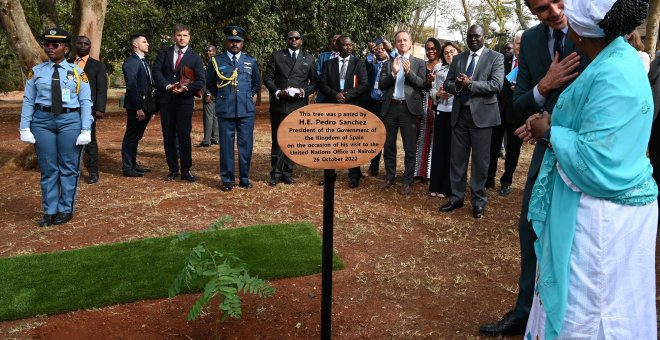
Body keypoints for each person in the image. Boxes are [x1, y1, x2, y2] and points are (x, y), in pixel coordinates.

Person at [522, 0, 657, 337]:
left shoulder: (613, 73)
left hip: (601, 217)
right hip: (611, 207)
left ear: (580, 33)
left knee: (593, 308)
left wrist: (550, 131)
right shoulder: (616, 56)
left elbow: (597, 161)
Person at [478, 0, 584, 335]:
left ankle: (568, 319)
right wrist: (545, 85)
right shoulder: (534, 40)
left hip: (586, 152)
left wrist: (545, 120)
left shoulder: (591, 29)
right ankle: (526, 312)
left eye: (557, 1)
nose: (553, 11)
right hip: (547, 151)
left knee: (577, 236)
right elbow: (516, 107)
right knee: (530, 226)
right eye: (541, 8)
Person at [19, 28, 93, 227]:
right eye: (47, 44)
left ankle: (65, 208)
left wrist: (86, 129)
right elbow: (28, 100)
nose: (50, 48)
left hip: (70, 122)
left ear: (66, 49)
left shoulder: (78, 73)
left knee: (68, 167)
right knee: (48, 168)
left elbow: (86, 102)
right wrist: (24, 127)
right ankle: (49, 210)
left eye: (55, 45)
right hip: (42, 122)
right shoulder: (36, 72)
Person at [440, 25, 504, 219]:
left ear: (484, 37)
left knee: (480, 161)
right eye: (470, 36)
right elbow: (447, 83)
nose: (473, 39)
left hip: (483, 117)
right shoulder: (458, 58)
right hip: (460, 115)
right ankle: (456, 197)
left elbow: (497, 85)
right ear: (466, 38)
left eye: (477, 36)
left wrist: (471, 84)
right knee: (457, 159)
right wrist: (458, 85)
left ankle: (478, 200)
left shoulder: (496, 57)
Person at [207, 26, 261, 191]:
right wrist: (224, 98)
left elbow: (256, 84)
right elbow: (211, 84)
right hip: (226, 109)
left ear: (242, 43)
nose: (235, 44)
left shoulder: (251, 61)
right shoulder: (216, 61)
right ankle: (227, 179)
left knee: (246, 146)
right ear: (226, 42)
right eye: (231, 41)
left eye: (238, 41)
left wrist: (246, 97)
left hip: (245, 110)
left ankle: (244, 178)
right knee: (226, 146)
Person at [152, 23, 205, 182]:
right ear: (174, 36)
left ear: (189, 37)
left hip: (184, 102)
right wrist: (168, 86)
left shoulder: (195, 57)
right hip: (167, 100)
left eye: (185, 35)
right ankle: (172, 169)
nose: (182, 38)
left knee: (184, 135)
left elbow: (200, 81)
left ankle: (186, 170)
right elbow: (156, 72)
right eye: (179, 35)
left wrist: (185, 89)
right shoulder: (163, 53)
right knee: (168, 135)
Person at [264, 30, 318, 186]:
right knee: (278, 140)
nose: (294, 40)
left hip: (298, 105)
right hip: (280, 104)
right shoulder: (277, 56)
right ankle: (275, 173)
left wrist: (303, 92)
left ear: (301, 41)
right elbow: (268, 78)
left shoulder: (308, 58)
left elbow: (315, 82)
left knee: (294, 141)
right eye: (290, 38)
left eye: (297, 38)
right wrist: (278, 92)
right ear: (286, 40)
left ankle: (288, 172)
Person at [378, 30, 427, 195]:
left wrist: (408, 72)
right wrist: (393, 72)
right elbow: (381, 85)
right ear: (396, 44)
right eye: (399, 40)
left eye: (405, 40)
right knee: (389, 145)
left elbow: (422, 84)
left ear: (411, 43)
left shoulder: (419, 63)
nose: (402, 42)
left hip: (409, 109)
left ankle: (407, 180)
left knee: (409, 147)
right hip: (390, 108)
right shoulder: (388, 63)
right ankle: (390, 177)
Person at [318, 35, 369, 188]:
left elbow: (364, 84)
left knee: (351, 141)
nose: (349, 47)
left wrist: (347, 95)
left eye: (350, 45)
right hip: (332, 107)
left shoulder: (358, 63)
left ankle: (354, 175)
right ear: (338, 47)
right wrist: (335, 95)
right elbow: (322, 83)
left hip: (351, 107)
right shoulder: (328, 64)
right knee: (331, 142)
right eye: (345, 45)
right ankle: (329, 174)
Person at [486, 30, 524, 197]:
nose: (520, 47)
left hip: (518, 114)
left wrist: (522, 89)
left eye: (524, 44)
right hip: (498, 111)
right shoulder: (503, 60)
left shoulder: (531, 64)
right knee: (493, 147)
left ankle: (506, 181)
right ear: (513, 44)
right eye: (518, 43)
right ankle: (489, 178)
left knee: (513, 151)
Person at [73, 35, 107, 185]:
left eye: (85, 44)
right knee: (70, 140)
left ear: (90, 47)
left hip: (89, 109)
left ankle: (93, 171)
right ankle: (73, 170)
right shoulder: (67, 63)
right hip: (69, 109)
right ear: (75, 45)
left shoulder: (97, 65)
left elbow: (102, 89)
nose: (82, 46)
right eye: (79, 43)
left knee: (90, 140)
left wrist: (100, 109)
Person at [428, 41, 461, 198]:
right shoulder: (438, 68)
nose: (449, 55)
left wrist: (454, 92)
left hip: (456, 113)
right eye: (446, 52)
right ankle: (435, 185)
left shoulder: (463, 69)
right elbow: (432, 90)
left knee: (451, 151)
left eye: (452, 51)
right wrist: (438, 95)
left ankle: (446, 187)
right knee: (439, 149)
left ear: (457, 52)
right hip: (441, 111)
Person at [121, 33, 154, 178]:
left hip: (145, 105)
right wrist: (138, 108)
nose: (148, 44)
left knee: (136, 136)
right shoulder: (131, 61)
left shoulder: (143, 61)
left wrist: (151, 109)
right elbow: (132, 86)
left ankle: (133, 164)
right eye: (144, 41)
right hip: (137, 107)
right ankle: (128, 167)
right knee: (131, 136)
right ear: (136, 45)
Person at [414, 38, 442, 182]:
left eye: (433, 48)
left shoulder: (443, 65)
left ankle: (431, 173)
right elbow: (418, 85)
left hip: (438, 103)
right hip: (422, 102)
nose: (430, 51)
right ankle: (419, 172)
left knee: (435, 138)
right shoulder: (421, 65)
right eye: (428, 49)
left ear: (438, 49)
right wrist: (427, 81)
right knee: (421, 137)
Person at [364, 38, 390, 177]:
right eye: (377, 49)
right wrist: (370, 53)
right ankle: (373, 167)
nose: (380, 51)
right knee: (374, 136)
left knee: (386, 137)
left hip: (386, 104)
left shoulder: (392, 64)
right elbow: (367, 64)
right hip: (372, 103)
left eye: (382, 49)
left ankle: (389, 170)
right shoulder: (373, 65)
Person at [196, 45, 220, 147]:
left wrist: (208, 93)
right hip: (216, 93)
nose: (208, 53)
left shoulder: (213, 62)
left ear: (215, 51)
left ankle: (206, 141)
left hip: (210, 93)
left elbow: (212, 79)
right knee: (214, 116)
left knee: (208, 117)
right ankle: (215, 138)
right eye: (207, 51)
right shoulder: (216, 61)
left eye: (210, 51)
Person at [315, 33, 341, 103]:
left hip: (340, 95)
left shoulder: (349, 58)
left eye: (338, 41)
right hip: (323, 94)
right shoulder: (323, 56)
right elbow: (318, 72)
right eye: (334, 40)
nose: (336, 43)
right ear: (331, 42)